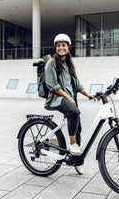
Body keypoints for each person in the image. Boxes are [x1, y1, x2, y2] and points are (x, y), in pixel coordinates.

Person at [44, 33, 95, 175]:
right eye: (59, 46)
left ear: (68, 48)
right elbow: (53, 86)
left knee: (77, 127)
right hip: (57, 98)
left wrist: (88, 94)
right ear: (56, 48)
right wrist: (69, 98)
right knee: (74, 112)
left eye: (63, 45)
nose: (61, 48)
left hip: (70, 99)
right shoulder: (51, 63)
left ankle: (76, 162)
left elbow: (78, 85)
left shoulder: (69, 64)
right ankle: (73, 145)